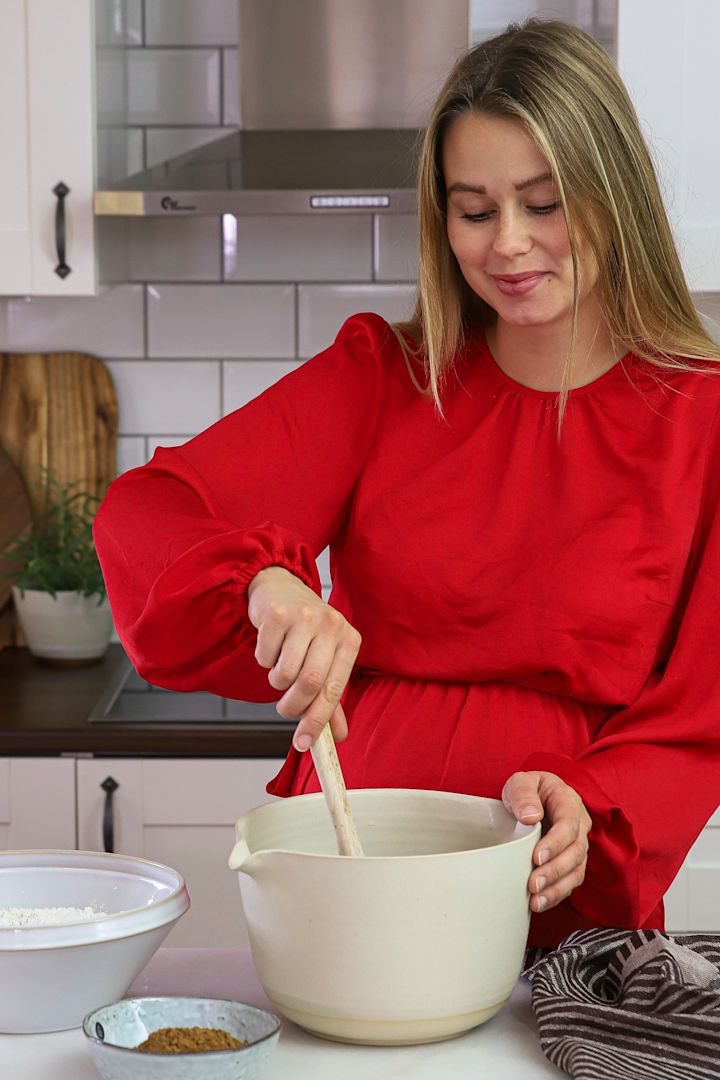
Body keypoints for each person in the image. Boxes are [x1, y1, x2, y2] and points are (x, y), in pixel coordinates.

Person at [93, 18, 720, 948]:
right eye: (474, 210)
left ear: (613, 194)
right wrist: (265, 582)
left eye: (543, 204)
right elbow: (147, 514)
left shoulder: (697, 417)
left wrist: (594, 802)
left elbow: (701, 704)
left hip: (555, 909)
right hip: (348, 888)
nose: (507, 245)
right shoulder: (383, 379)